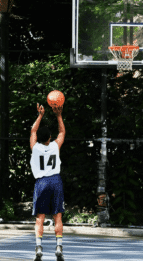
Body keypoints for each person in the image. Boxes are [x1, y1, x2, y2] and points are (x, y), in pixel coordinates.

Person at [30, 103, 66, 261]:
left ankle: (38, 247)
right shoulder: (55, 146)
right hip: (55, 181)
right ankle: (59, 247)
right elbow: (62, 132)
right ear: (50, 138)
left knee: (40, 217)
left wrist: (40, 115)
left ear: (38, 138)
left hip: (42, 182)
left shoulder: (35, 148)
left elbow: (32, 131)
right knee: (57, 216)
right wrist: (58, 115)